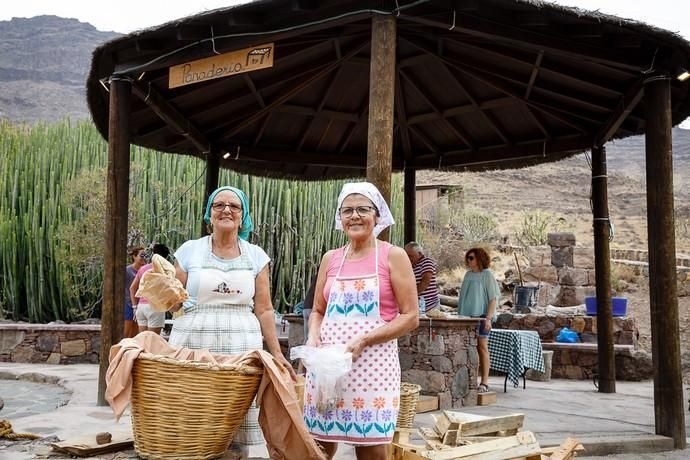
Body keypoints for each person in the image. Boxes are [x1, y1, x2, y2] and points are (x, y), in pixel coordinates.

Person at [168, 185, 296, 458]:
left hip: (240, 346)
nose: (226, 210)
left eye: (234, 206)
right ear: (209, 214)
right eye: (219, 205)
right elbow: (174, 303)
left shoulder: (256, 256)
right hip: (193, 343)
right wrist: (162, 292)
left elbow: (263, 309)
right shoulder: (189, 251)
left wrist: (275, 352)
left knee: (232, 417)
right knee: (193, 414)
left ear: (243, 215)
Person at [305, 182, 419, 460]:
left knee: (371, 447)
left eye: (363, 209)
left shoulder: (393, 255)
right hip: (328, 366)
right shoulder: (331, 259)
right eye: (347, 210)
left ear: (377, 216)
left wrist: (365, 339)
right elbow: (318, 310)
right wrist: (312, 338)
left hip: (373, 366)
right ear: (340, 218)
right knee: (320, 441)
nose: (354, 216)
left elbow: (411, 316)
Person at [457, 247, 500, 394]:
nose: (469, 261)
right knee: (469, 348)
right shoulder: (468, 275)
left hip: (481, 316)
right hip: (466, 318)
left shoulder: (487, 275)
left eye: (472, 258)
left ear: (480, 258)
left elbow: (493, 298)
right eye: (468, 258)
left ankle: (485, 381)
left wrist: (488, 318)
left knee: (482, 347)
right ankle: (470, 380)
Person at [130, 243, 170, 335]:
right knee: (152, 340)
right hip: (156, 307)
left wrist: (134, 307)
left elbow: (132, 288)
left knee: (142, 340)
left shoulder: (143, 269)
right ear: (165, 257)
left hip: (141, 307)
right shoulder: (165, 270)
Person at [404, 242, 440, 312]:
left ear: (419, 254)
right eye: (406, 256)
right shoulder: (411, 266)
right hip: (418, 305)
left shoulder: (426, 262)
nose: (408, 258)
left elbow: (425, 283)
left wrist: (410, 296)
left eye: (410, 256)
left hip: (430, 305)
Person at [124, 246, 145, 338]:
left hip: (141, 305)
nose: (144, 257)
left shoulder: (145, 270)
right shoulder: (127, 271)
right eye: (142, 255)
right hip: (128, 305)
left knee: (136, 335)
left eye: (145, 255)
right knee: (126, 333)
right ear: (134, 256)